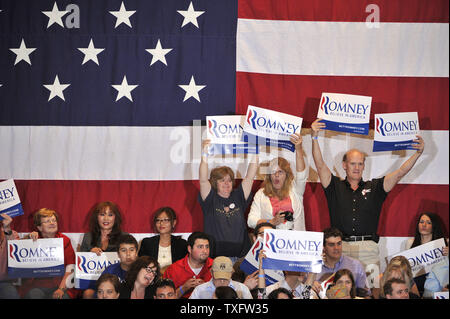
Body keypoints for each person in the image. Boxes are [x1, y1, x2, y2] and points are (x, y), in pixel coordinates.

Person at [310, 118, 425, 268]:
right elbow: (319, 164)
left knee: (370, 291)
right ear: (344, 165)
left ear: (364, 166)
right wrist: (314, 137)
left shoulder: (376, 187)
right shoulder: (334, 185)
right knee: (341, 290)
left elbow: (400, 172)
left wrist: (418, 153)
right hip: (339, 249)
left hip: (368, 250)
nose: (357, 167)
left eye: (360, 163)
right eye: (353, 163)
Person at [199, 140, 258, 260]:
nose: (226, 183)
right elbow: (203, 180)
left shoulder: (238, 196)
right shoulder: (210, 199)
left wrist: (255, 151)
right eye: (222, 180)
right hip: (215, 257)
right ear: (215, 182)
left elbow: (250, 177)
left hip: (240, 257)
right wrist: (204, 154)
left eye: (229, 180)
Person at [248, 133, 307, 231]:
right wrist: (271, 222)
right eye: (273, 172)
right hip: (271, 241)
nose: (276, 175)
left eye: (280, 172)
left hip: (295, 241)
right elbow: (251, 221)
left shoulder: (295, 190)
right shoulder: (261, 194)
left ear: (286, 175)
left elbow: (301, 174)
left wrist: (299, 149)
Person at [21, 208, 77, 299]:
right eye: (47, 221)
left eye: (54, 220)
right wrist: (27, 241)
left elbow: (70, 268)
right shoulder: (32, 239)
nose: (52, 223)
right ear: (39, 227)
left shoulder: (65, 240)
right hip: (37, 286)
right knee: (33, 295)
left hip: (60, 284)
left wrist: (61, 289)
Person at [312, 228, 370, 296]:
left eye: (339, 244)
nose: (336, 248)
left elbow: (365, 295)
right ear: (323, 247)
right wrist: (310, 286)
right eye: (331, 245)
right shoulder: (313, 267)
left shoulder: (356, 265)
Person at [404, 212, 449, 297]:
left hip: (434, 288)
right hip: (414, 287)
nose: (424, 225)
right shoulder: (410, 243)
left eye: (428, 223)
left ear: (434, 226)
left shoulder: (443, 244)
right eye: (421, 222)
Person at [83, 233, 139, 299]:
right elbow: (99, 293)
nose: (128, 254)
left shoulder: (142, 270)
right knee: (88, 293)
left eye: (131, 250)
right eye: (123, 250)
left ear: (136, 253)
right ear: (118, 254)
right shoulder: (110, 270)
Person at [163, 232, 213, 298]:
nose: (205, 251)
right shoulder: (173, 269)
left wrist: (207, 289)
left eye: (207, 247)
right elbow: (165, 297)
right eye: (200, 247)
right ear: (189, 249)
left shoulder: (215, 266)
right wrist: (184, 288)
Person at [138, 206, 187, 272]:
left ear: (174, 222)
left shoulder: (182, 244)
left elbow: (184, 268)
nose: (161, 223)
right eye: (158, 220)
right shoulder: (147, 243)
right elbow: (141, 267)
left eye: (166, 220)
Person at [0, 213, 21, 299]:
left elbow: (16, 252)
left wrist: (7, 228)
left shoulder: (11, 234)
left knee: (11, 294)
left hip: (4, 282)